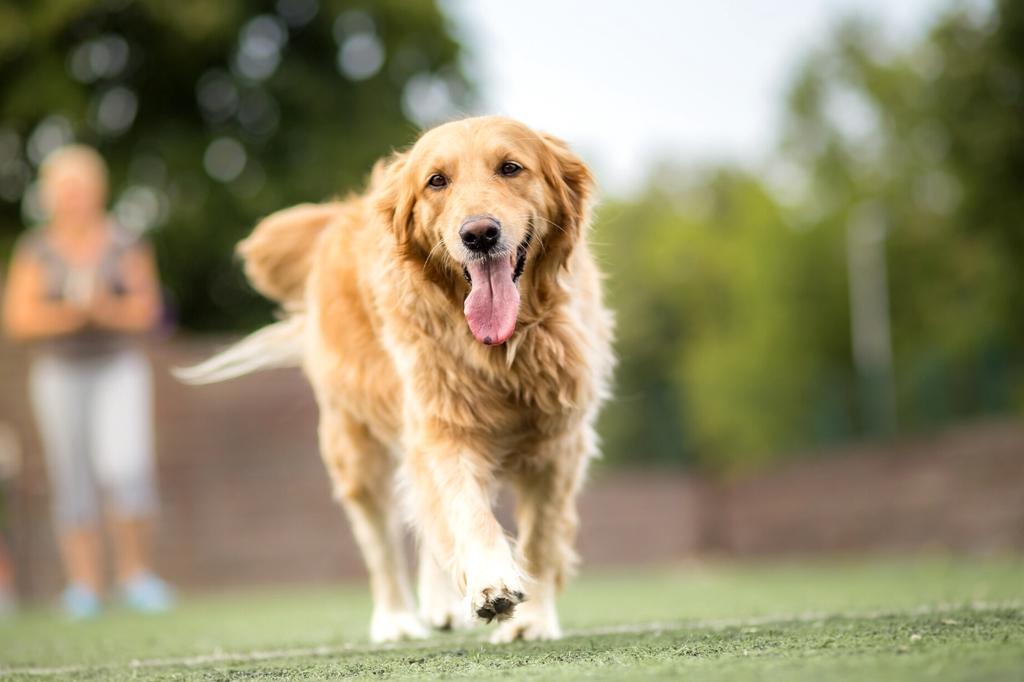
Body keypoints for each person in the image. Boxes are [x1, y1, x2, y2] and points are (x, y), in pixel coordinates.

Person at [1, 145, 173, 618]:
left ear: (98, 191)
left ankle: (137, 577)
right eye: (65, 189)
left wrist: (103, 312)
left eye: (82, 187)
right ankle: (85, 586)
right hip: (59, 372)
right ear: (51, 195)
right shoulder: (35, 249)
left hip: (118, 367)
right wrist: (71, 316)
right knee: (71, 476)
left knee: (128, 468)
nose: (74, 197)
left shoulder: (124, 242)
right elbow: (20, 319)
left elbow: (147, 311)